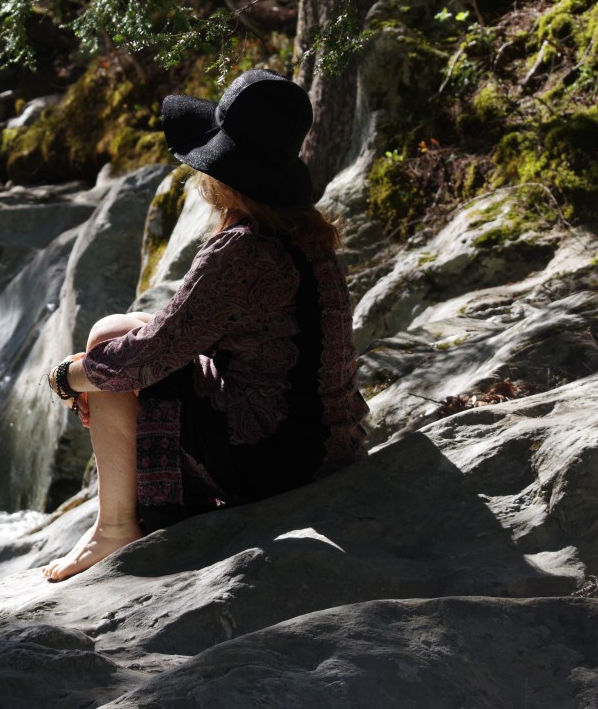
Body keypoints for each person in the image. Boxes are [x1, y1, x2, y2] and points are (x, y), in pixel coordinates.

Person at [42, 68, 369, 582]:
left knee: (110, 343)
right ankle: (117, 520)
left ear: (222, 172)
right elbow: (184, 330)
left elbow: (140, 362)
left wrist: (66, 377)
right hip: (331, 445)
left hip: (276, 460)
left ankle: (116, 528)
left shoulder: (240, 249)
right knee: (124, 330)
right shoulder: (305, 235)